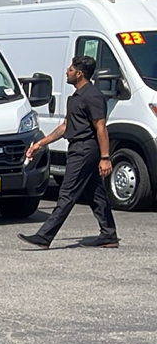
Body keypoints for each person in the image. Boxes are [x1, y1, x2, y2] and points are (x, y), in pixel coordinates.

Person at [19, 55, 119, 248]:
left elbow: (101, 127)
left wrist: (105, 158)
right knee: (95, 193)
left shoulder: (92, 96)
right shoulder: (76, 97)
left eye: (71, 69)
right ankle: (109, 235)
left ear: (80, 73)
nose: (67, 72)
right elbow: (65, 126)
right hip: (76, 147)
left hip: (85, 149)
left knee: (67, 193)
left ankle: (44, 236)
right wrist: (41, 143)